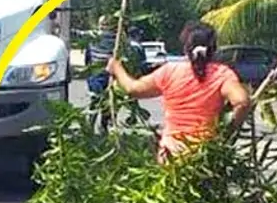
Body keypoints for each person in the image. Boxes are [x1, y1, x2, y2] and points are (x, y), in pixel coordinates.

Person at [107, 21, 250, 161]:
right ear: (213, 48)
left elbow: (133, 89)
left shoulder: (169, 71)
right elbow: (242, 102)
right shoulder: (222, 74)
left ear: (185, 47)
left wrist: (117, 69)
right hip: (205, 155)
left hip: (171, 154)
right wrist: (227, 133)